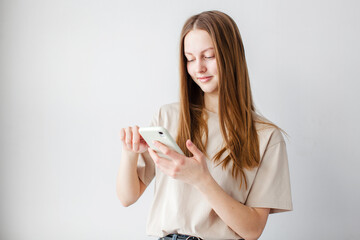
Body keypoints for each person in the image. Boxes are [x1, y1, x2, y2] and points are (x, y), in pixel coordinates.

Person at [116, 10, 293, 240]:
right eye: (190, 58)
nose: (198, 68)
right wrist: (129, 154)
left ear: (231, 56)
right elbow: (127, 197)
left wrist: (202, 180)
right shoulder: (168, 116)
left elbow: (252, 230)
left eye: (208, 56)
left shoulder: (266, 137)